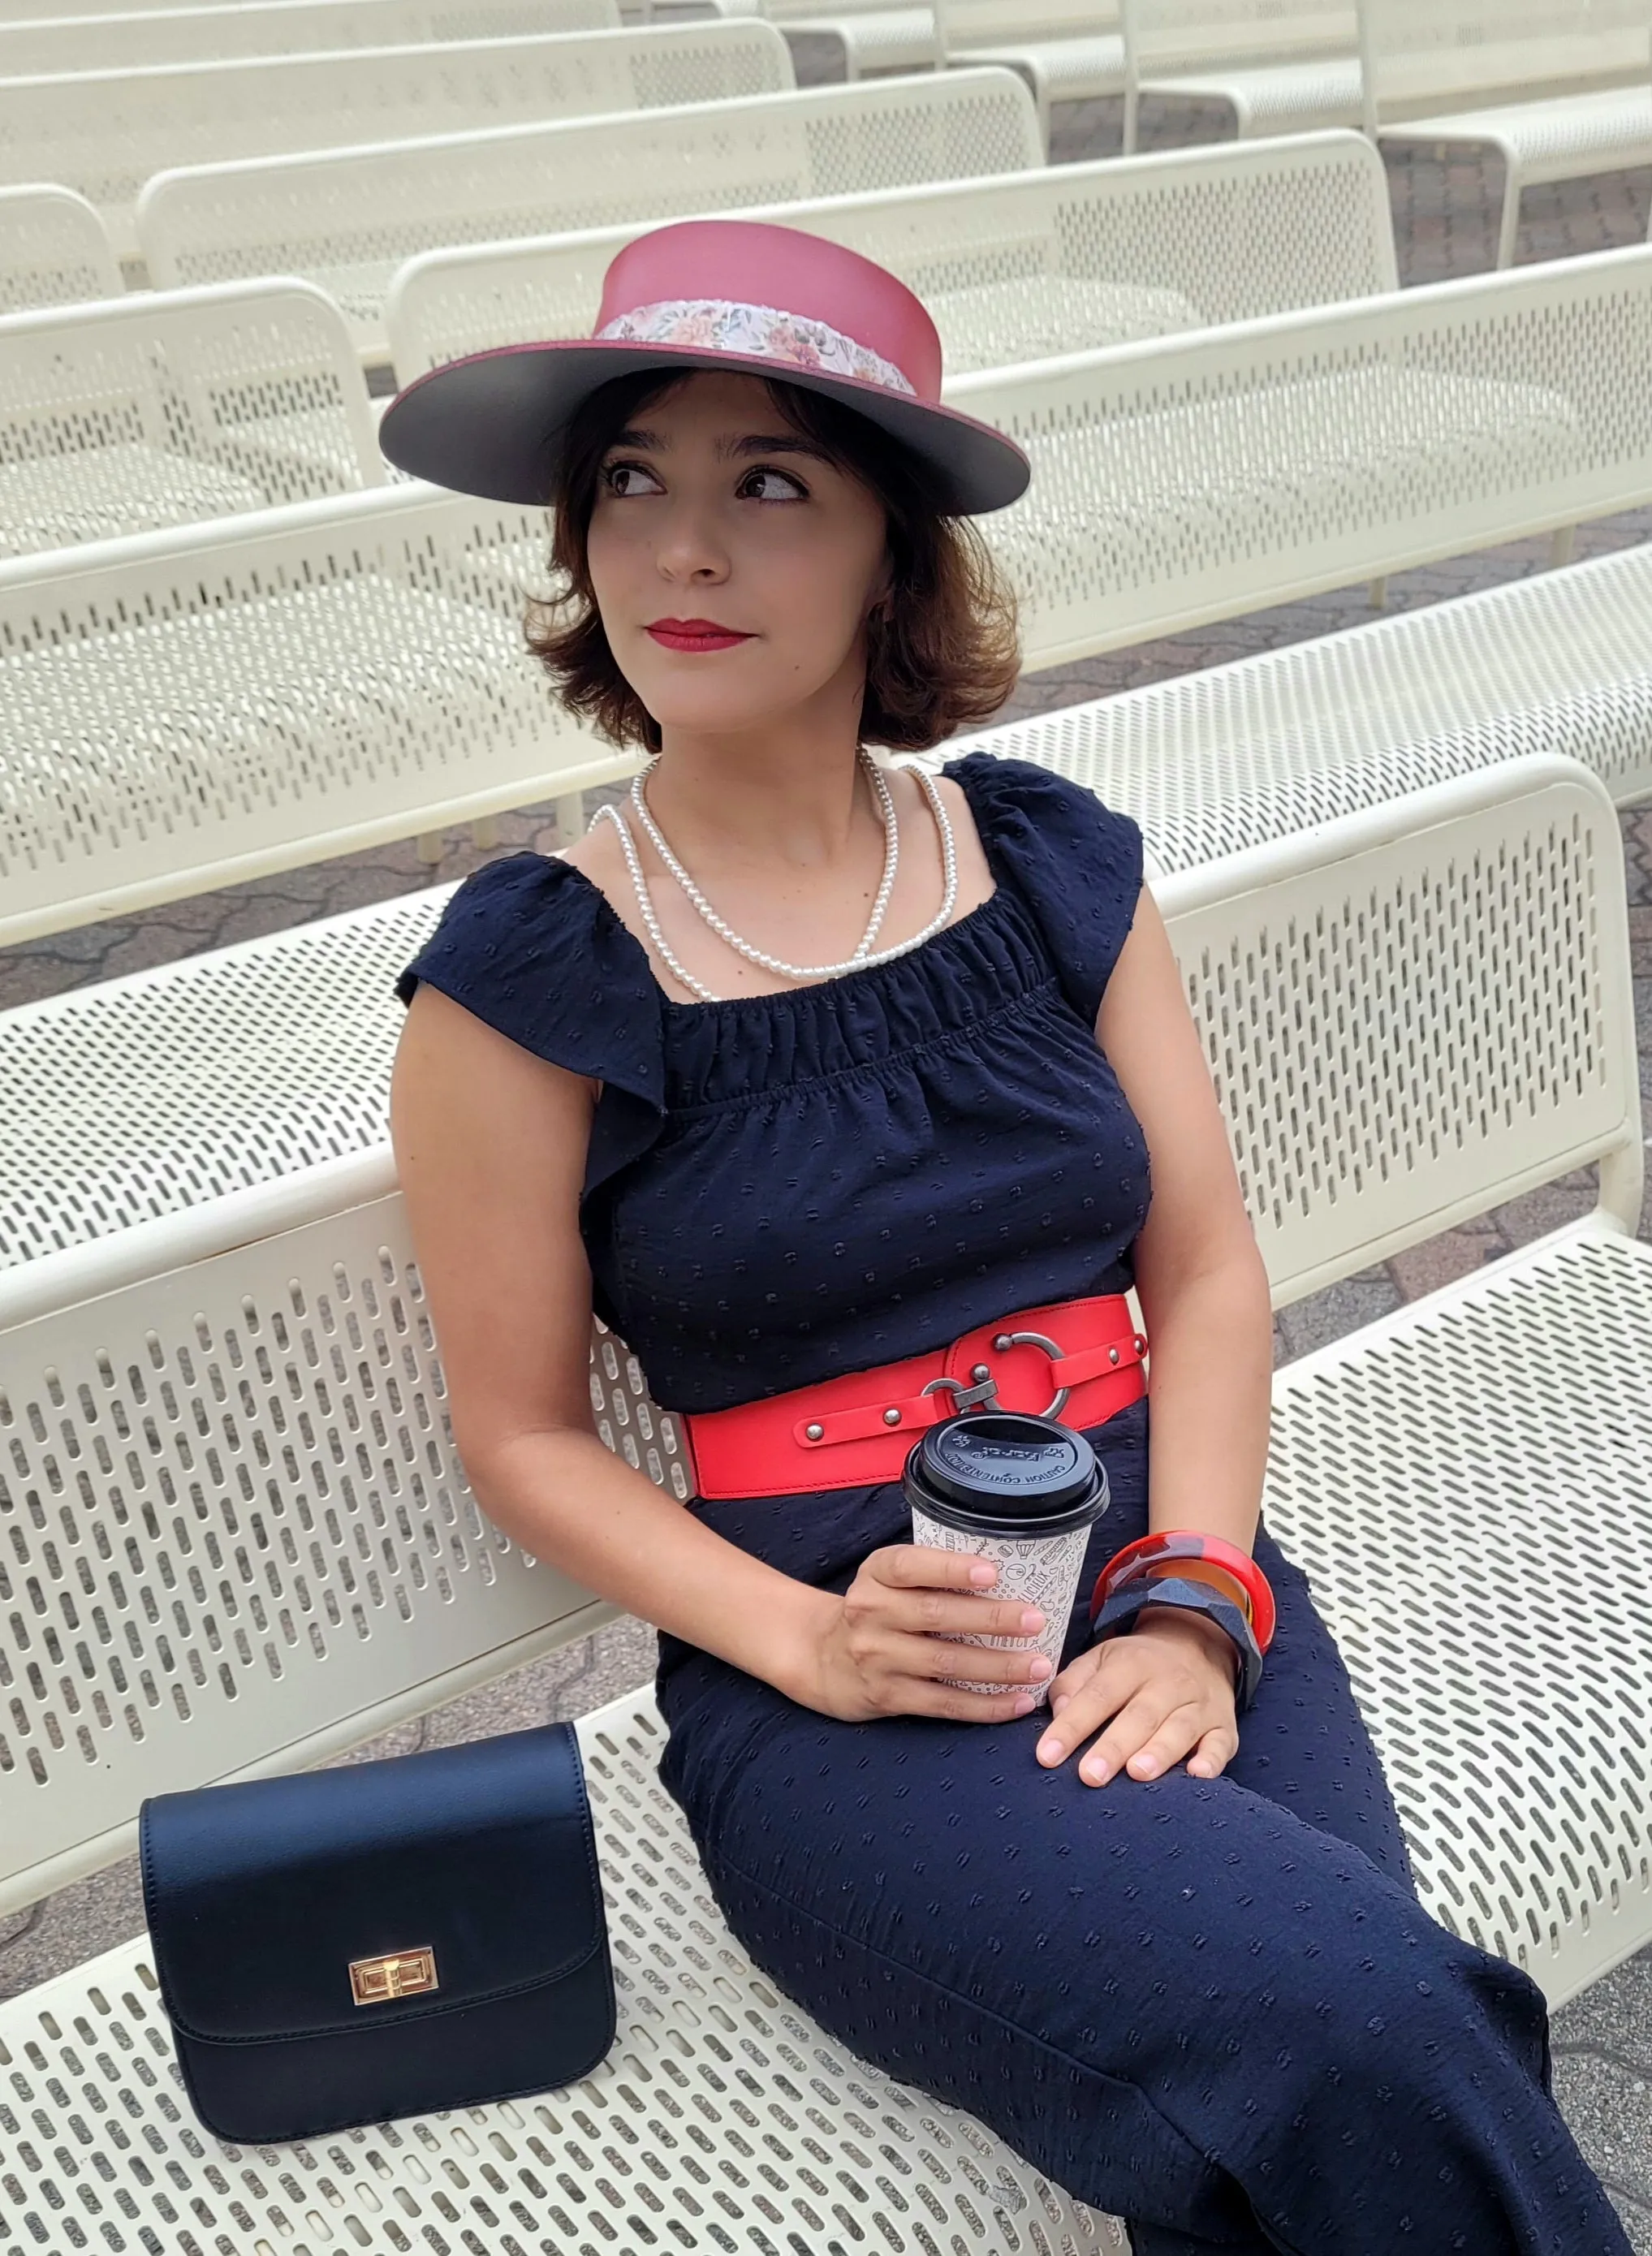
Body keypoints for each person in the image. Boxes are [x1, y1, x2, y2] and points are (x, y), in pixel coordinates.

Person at [377, 219, 1631, 2255]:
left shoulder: (1044, 864)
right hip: (832, 1670)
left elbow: (1205, 1270)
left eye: (769, 484)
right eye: (634, 483)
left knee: (1319, 2086)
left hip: (1166, 1553)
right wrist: (811, 1645)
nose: (682, 552)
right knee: (1377, 2021)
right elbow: (518, 1435)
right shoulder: (529, 975)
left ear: (895, 553)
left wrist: (1198, 1595)